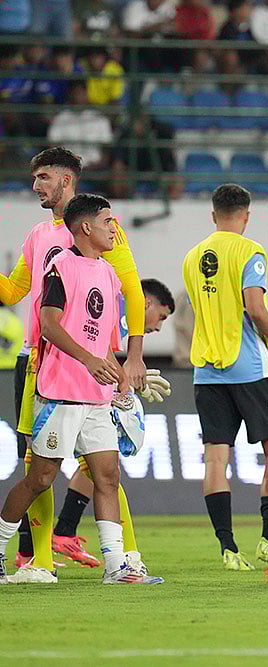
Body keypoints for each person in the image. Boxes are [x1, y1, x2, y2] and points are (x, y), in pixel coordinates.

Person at [0, 147, 150, 584]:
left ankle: (125, 560)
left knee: (103, 469)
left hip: (89, 374)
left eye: (44, 177)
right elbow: (13, 293)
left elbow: (132, 295)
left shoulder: (104, 233)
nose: (36, 187)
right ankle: (38, 560)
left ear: (66, 180)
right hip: (43, 364)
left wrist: (131, 358)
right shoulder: (39, 237)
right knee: (40, 470)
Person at [182, 184, 268, 571]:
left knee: (216, 458)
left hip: (207, 372)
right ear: (247, 215)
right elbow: (255, 308)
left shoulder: (192, 256)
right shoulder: (250, 251)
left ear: (213, 216)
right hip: (250, 369)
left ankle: (228, 548)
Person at [51, 279, 175, 560]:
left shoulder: (117, 311)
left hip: (79, 384)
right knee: (44, 470)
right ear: (146, 303)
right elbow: (93, 347)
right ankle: (36, 546)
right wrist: (123, 383)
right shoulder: (117, 309)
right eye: (161, 317)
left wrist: (122, 381)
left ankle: (64, 533)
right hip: (64, 384)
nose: (157, 326)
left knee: (97, 462)